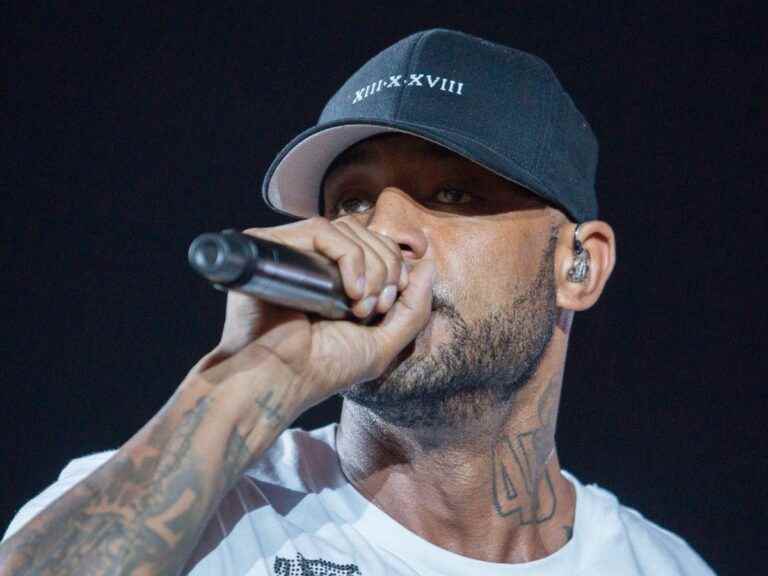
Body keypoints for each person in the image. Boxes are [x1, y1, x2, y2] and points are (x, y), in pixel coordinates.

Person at [0, 29, 715, 575]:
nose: (386, 231)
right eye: (353, 201)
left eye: (452, 193)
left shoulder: (657, 565)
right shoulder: (194, 519)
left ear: (578, 266)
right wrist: (251, 379)